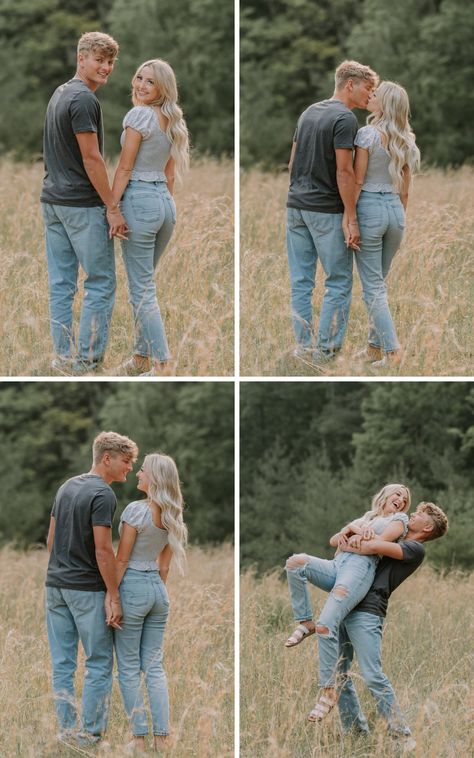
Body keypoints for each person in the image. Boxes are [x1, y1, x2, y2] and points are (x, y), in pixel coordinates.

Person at [41, 32, 128, 376]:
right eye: (99, 60)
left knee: (61, 283)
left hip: (51, 201)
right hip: (79, 204)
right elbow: (92, 159)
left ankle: (61, 359)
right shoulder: (83, 100)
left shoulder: (60, 93)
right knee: (101, 282)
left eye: (110, 62)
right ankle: (87, 362)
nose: (105, 68)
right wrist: (112, 206)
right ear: (81, 58)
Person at [284, 484, 410, 721]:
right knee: (295, 562)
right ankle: (304, 621)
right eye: (398, 494)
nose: (401, 500)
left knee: (326, 625)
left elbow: (377, 543)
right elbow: (334, 540)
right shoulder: (366, 517)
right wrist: (352, 529)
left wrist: (352, 537)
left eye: (405, 498)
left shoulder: (399, 519)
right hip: (336, 566)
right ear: (384, 495)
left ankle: (328, 692)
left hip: (359, 571)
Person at [45, 431, 138, 748]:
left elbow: (50, 541)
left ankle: (67, 731)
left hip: (55, 587)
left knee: (62, 663)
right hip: (85, 589)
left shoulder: (66, 486)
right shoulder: (103, 494)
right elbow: (103, 550)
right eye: (126, 462)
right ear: (107, 458)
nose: (128, 469)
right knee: (98, 662)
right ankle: (89, 735)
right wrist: (113, 594)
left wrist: (64, 569)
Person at [286, 60, 378, 367]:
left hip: (295, 207)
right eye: (368, 87)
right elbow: (343, 171)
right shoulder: (345, 118)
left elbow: (292, 162)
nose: (371, 94)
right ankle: (325, 353)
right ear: (350, 84)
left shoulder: (308, 111)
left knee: (301, 281)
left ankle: (302, 349)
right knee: (338, 281)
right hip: (325, 210)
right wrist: (351, 217)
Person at [336, 502, 449, 750]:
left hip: (368, 611)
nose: (412, 514)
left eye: (419, 515)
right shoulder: (395, 534)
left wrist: (350, 537)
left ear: (427, 526)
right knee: (338, 672)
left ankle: (402, 736)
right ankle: (355, 732)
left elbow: (373, 546)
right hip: (347, 603)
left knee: (372, 675)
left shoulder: (414, 548)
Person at [111, 59, 190, 376]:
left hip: (140, 201)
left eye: (150, 82)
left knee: (141, 289)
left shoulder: (139, 115)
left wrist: (112, 207)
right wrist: (163, 205)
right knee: (143, 284)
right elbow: (169, 174)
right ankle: (141, 358)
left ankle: (163, 363)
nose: (141, 85)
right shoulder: (172, 120)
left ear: (162, 88)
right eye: (139, 78)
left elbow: (125, 167)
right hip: (165, 205)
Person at [113, 453, 188, 753]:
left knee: (129, 667)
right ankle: (162, 739)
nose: (137, 474)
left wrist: (112, 595)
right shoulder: (173, 515)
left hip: (131, 586)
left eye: (142, 471)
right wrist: (155, 591)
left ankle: (138, 739)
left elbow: (122, 558)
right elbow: (165, 567)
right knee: (154, 667)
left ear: (154, 478)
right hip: (158, 591)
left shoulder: (135, 511)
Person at [353, 81, 421, 368]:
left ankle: (393, 353)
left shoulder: (366, 134)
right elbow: (405, 190)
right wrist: (398, 215)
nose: (371, 95)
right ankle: (373, 348)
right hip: (395, 211)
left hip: (369, 209)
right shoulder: (406, 139)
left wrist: (350, 217)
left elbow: (357, 181)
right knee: (378, 284)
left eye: (376, 94)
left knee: (373, 288)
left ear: (385, 104)